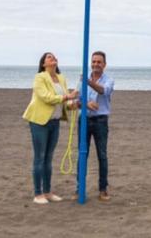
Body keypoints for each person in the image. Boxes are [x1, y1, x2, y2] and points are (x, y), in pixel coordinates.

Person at [22, 52, 79, 205]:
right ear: (43, 64)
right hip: (39, 121)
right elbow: (46, 97)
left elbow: (64, 101)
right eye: (49, 57)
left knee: (49, 158)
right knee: (39, 157)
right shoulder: (40, 77)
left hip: (54, 121)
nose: (52, 58)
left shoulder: (61, 78)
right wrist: (68, 97)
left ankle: (47, 191)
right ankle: (38, 193)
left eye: (54, 57)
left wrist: (72, 104)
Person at [74, 51, 114, 202]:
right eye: (94, 61)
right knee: (82, 154)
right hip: (84, 120)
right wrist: (85, 104)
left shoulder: (109, 80)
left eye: (99, 62)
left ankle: (103, 189)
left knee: (102, 155)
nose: (95, 64)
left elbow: (103, 91)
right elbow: (76, 101)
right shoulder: (82, 80)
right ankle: (79, 189)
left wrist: (88, 82)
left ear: (104, 64)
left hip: (100, 121)